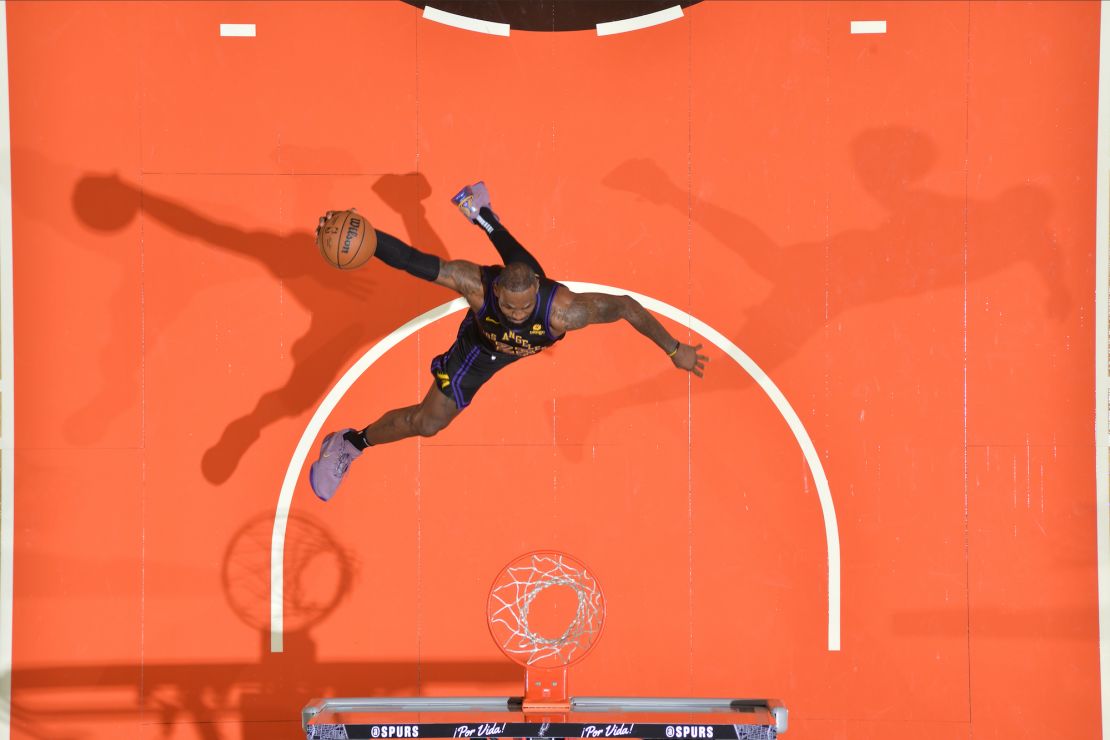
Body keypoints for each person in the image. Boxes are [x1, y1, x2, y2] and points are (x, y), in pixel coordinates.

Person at [309, 182, 708, 501]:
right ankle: (350, 442)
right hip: (482, 349)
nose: (517, 315)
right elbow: (413, 261)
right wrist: (365, 237)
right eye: (511, 307)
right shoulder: (478, 287)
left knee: (526, 264)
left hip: (531, 308)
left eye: (524, 307)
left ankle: (480, 211)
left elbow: (626, 307)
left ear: (536, 290)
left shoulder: (562, 309)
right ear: (497, 291)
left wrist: (675, 349)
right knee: (427, 423)